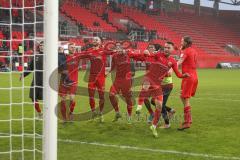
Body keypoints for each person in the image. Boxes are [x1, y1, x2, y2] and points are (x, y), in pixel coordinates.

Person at [135, 41, 189, 137]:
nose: (166, 49)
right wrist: (146, 53)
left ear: (172, 49)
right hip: (157, 83)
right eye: (165, 47)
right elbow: (150, 56)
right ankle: (141, 107)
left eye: (168, 48)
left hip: (166, 86)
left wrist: (183, 75)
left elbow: (176, 74)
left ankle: (166, 123)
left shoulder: (172, 62)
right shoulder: (158, 55)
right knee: (154, 101)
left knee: (160, 105)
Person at [108, 42, 133, 123]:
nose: (118, 48)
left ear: (123, 48)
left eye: (120, 47)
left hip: (127, 80)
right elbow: (112, 67)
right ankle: (117, 112)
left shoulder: (128, 54)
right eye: (117, 47)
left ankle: (129, 116)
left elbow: (136, 55)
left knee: (128, 98)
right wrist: (107, 72)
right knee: (111, 95)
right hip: (117, 79)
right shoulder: (114, 56)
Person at [177, 36, 198, 130]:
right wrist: (181, 51)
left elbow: (179, 62)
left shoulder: (185, 51)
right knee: (182, 96)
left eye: (182, 41)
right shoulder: (193, 50)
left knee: (185, 99)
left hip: (187, 76)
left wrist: (170, 67)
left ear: (186, 42)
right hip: (194, 75)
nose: (180, 42)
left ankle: (187, 122)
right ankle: (189, 118)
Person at [20, 41, 44, 118]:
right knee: (33, 97)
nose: (41, 47)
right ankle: (40, 113)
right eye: (40, 45)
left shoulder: (51, 56)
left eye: (43, 45)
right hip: (36, 80)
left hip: (46, 82)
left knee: (47, 99)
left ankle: (49, 115)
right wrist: (23, 74)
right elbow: (30, 68)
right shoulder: (36, 56)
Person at [58, 43, 81, 122]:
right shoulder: (64, 57)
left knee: (72, 98)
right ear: (68, 48)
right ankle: (64, 118)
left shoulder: (78, 56)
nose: (73, 48)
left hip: (73, 81)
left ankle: (71, 113)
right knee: (63, 100)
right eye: (71, 47)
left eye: (74, 47)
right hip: (64, 81)